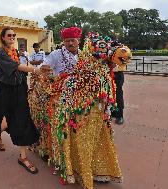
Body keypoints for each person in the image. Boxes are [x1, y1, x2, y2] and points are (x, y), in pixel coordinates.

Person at [30, 27, 122, 188]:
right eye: (67, 41)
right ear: (63, 42)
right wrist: (45, 71)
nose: (70, 43)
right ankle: (67, 162)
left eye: (73, 40)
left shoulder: (85, 55)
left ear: (78, 40)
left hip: (86, 99)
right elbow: (44, 68)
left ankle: (97, 167)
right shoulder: (56, 55)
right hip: (62, 97)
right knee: (64, 126)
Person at [0, 27, 44, 174]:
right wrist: (36, 70)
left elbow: (20, 69)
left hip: (18, 89)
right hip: (4, 90)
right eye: (9, 35)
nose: (12, 37)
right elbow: (16, 67)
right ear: (3, 37)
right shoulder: (0, 53)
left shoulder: (14, 52)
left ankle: (23, 157)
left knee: (22, 119)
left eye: (14, 35)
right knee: (2, 118)